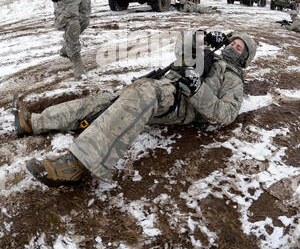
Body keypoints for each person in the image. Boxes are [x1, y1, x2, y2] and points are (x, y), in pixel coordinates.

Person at [13, 31, 257, 187]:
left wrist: (196, 88)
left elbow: (225, 114)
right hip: (163, 86)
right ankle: (33, 122)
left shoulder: (233, 78)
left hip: (180, 102)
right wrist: (202, 37)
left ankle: (75, 166)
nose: (232, 46)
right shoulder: (206, 55)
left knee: (142, 94)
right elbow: (180, 48)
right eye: (232, 42)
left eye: (239, 47)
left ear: (245, 58)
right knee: (103, 101)